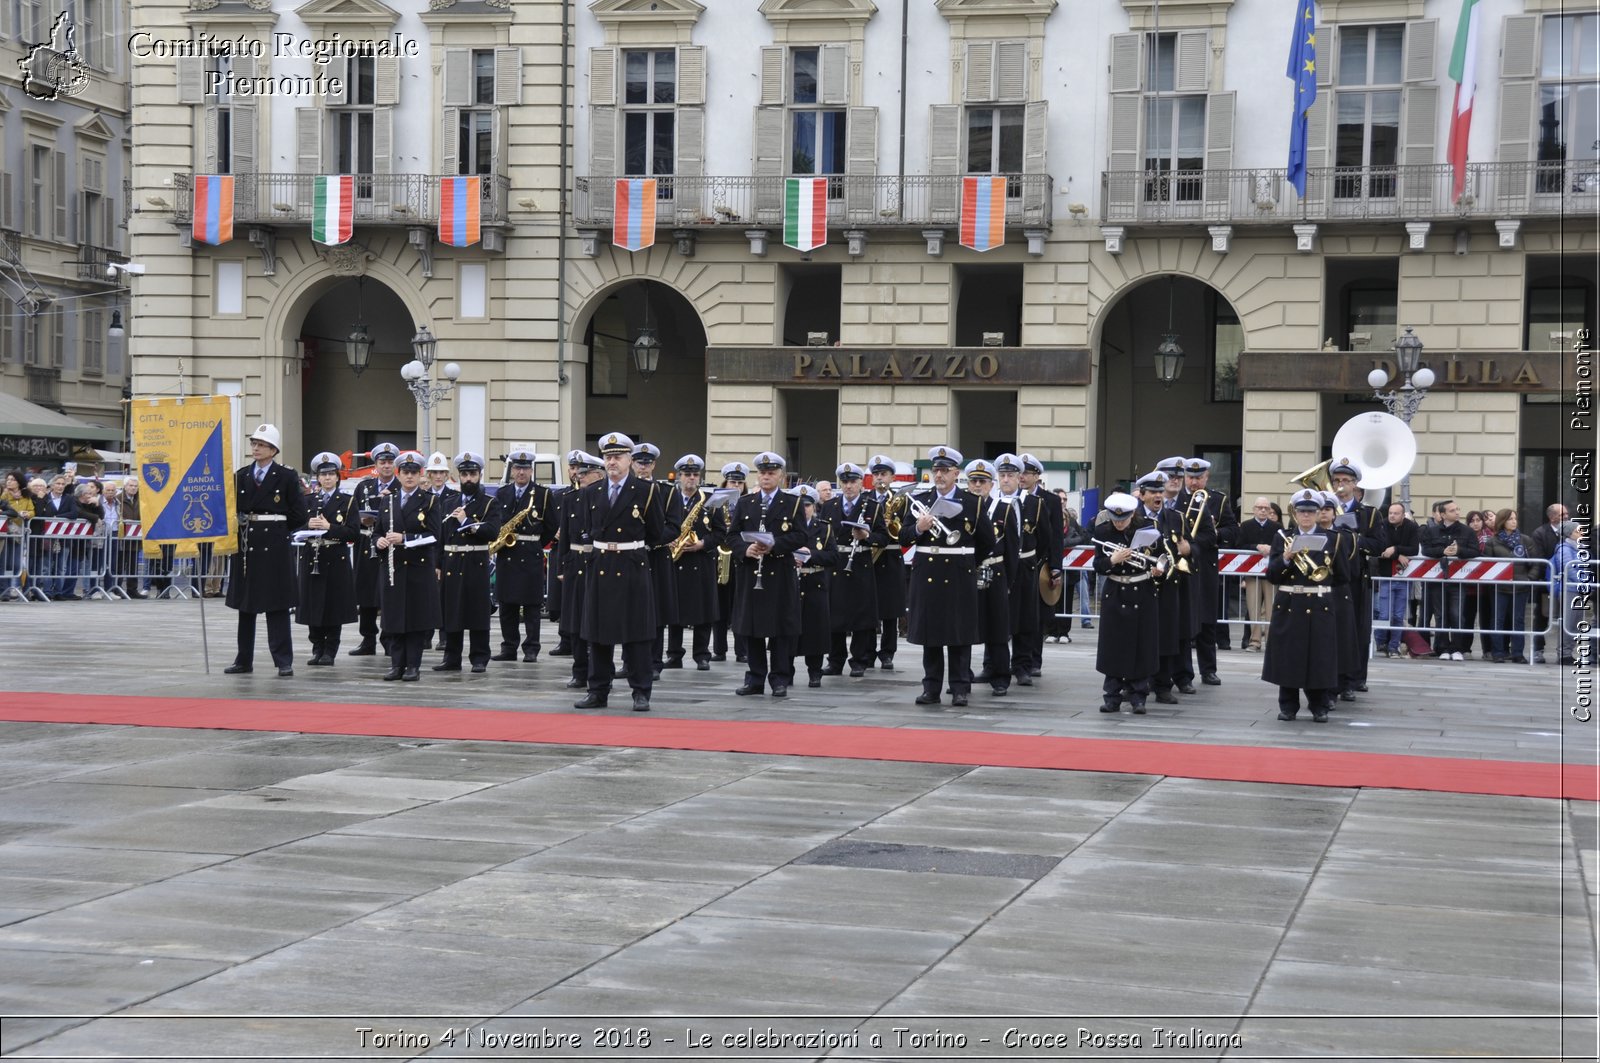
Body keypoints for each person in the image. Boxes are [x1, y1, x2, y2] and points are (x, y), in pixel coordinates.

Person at [575, 432, 668, 711]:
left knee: (637, 633)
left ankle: (641, 691)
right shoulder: (592, 491)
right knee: (599, 633)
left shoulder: (647, 491)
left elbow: (656, 532)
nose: (612, 462)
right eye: (607, 457)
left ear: (630, 459)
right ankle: (598, 690)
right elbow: (588, 529)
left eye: (617, 457)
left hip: (632, 564)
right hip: (602, 564)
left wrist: (632, 548)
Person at [901, 446, 995, 707]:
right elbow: (903, 536)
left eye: (945, 470)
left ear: (956, 473)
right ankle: (931, 687)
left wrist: (966, 563)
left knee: (959, 633)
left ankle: (960, 687)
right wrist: (918, 528)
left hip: (958, 572)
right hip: (927, 571)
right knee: (930, 634)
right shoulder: (920, 498)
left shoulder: (972, 502)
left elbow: (986, 541)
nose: (939, 475)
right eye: (936, 470)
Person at [225, 424, 308, 676]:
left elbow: (298, 514)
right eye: (254, 444)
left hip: (274, 544)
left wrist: (278, 531)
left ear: (273, 449)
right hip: (247, 543)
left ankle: (283, 660)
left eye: (261, 445)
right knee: (246, 605)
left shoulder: (286, 476)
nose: (256, 448)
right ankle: (243, 659)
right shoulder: (241, 475)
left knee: (277, 605)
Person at [729, 451, 809, 698]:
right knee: (751, 629)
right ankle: (754, 678)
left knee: (780, 630)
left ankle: (779, 679)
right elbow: (731, 536)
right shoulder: (745, 503)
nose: (766, 477)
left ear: (780, 476)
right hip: (752, 573)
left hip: (779, 573)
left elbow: (801, 536)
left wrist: (776, 545)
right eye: (762, 473)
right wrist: (746, 549)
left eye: (771, 473)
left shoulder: (792, 502)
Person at [1263, 488, 1340, 722]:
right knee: (1289, 656)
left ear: (1318, 514)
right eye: (1302, 512)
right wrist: (1285, 557)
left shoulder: (1333, 539)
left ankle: (1319, 706)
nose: (1306, 516)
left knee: (1319, 656)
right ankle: (1288, 706)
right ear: (1295, 514)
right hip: (1290, 602)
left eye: (1311, 512)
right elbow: (1273, 575)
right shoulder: (1282, 537)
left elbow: (1343, 576)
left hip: (1319, 603)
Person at [374, 451, 443, 681]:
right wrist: (379, 541)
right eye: (406, 472)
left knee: (415, 619)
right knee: (393, 618)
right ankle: (396, 665)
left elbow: (434, 535)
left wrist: (406, 539)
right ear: (399, 474)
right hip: (393, 567)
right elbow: (376, 531)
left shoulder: (430, 500)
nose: (410, 476)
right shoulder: (388, 500)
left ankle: (413, 665)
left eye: (414, 472)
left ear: (420, 474)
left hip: (417, 568)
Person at [1090, 491, 1161, 713]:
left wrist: (1158, 570)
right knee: (1113, 645)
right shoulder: (1102, 531)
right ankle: (1112, 696)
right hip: (1115, 590)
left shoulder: (1148, 529)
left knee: (1141, 644)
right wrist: (1112, 559)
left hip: (1142, 589)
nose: (1119, 523)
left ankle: (1139, 696)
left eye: (1123, 519)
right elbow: (1098, 565)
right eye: (1115, 519)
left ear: (1132, 515)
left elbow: (1162, 555)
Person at [435, 452, 500, 673]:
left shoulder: (489, 503)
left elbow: (493, 532)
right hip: (451, 563)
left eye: (472, 474)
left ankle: (479, 657)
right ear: (458, 476)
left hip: (475, 562)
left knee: (477, 613)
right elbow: (441, 536)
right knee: (452, 611)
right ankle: (451, 657)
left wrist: (467, 521)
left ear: (480, 475)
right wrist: (437, 564)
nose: (468, 479)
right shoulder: (448, 501)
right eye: (464, 474)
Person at [819, 462, 883, 678]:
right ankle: (835, 660)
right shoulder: (829, 505)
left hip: (860, 562)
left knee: (860, 614)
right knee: (834, 614)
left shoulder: (871, 506)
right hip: (836, 562)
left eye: (852, 481)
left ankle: (859, 660)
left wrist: (867, 537)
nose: (848, 486)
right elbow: (822, 535)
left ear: (860, 483)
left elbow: (884, 537)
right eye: (844, 482)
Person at [491, 448, 554, 662]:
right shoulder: (502, 493)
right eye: (517, 468)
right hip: (507, 554)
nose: (521, 472)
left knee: (531, 605)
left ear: (531, 470)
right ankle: (509, 647)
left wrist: (534, 543)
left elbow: (551, 525)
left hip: (530, 554)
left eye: (525, 468)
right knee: (507, 605)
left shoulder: (543, 494)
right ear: (511, 470)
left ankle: (531, 649)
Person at [1176, 457, 1236, 684]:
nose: (1194, 483)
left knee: (1207, 620)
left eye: (1198, 478)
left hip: (1206, 565)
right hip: (1182, 566)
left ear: (1206, 477)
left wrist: (1214, 531)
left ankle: (1208, 669)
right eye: (1190, 478)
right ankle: (1183, 672)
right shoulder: (1176, 501)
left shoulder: (1218, 500)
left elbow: (1232, 530)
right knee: (1183, 619)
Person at [296, 452, 359, 666]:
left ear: (338, 477)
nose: (328, 478)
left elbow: (353, 532)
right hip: (312, 555)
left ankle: (330, 650)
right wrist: (308, 527)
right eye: (323, 475)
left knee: (333, 606)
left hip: (335, 557)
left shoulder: (348, 501)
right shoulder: (308, 501)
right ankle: (317, 647)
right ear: (318, 478)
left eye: (332, 474)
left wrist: (329, 527)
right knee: (312, 605)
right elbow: (294, 528)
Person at [1330, 459, 1385, 691]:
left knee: (1357, 629)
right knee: (1333, 629)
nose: (1341, 485)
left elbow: (1378, 544)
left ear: (1355, 485)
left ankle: (1355, 679)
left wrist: (1351, 538)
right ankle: (1333, 677)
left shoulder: (1369, 514)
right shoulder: (1326, 510)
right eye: (1337, 481)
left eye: (1346, 481)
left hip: (1357, 577)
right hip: (1331, 576)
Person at [554, 452, 604, 689]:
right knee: (574, 622)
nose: (579, 477)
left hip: (598, 563)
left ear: (598, 474)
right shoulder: (570, 498)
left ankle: (601, 671)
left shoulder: (605, 497)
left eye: (584, 473)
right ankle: (580, 671)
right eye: (578, 472)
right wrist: (563, 565)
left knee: (597, 622)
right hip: (575, 563)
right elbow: (564, 536)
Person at [966, 459, 1017, 697]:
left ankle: (1000, 677)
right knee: (965, 626)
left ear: (991, 484)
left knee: (997, 627)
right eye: (973, 481)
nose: (977, 486)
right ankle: (962, 674)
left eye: (982, 482)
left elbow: (1012, 550)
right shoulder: (962, 506)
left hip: (995, 572)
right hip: (968, 572)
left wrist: (1009, 582)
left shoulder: (1004, 509)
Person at [1134, 471, 1184, 704]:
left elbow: (1180, 549)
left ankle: (1163, 686)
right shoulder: (1132, 517)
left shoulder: (1174, 517)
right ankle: (1135, 683)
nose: (1158, 496)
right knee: (1139, 637)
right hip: (1141, 585)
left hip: (1167, 586)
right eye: (1153, 492)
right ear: (1141, 495)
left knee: (1166, 635)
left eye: (1160, 492)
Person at [665, 454, 718, 671]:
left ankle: (702, 654)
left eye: (696, 475)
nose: (692, 478)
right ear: (679, 476)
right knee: (674, 611)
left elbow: (722, 533)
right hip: (675, 562)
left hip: (700, 562)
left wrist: (702, 544)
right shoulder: (670, 499)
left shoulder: (710, 502)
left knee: (703, 611)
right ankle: (674, 654)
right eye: (687, 474)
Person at [995, 454, 1043, 687]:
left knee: (1025, 619)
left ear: (1019, 478)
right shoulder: (990, 502)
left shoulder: (1033, 503)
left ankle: (1022, 666)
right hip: (999, 566)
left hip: (1025, 565)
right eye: (1002, 475)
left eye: (1011, 476)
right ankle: (993, 665)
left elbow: (1043, 538)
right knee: (996, 618)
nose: (1006, 480)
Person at [349, 443, 400, 656]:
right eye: (382, 462)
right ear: (376, 464)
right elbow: (352, 514)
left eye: (390, 462)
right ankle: (367, 639)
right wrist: (363, 520)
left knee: (387, 594)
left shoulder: (401, 486)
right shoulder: (364, 486)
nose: (386, 466)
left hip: (390, 545)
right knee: (366, 593)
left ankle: (389, 639)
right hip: (366, 543)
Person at [634, 442, 679, 680]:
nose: (643, 467)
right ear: (632, 464)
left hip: (656, 554)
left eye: (647, 463)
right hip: (631, 557)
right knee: (631, 611)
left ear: (654, 465)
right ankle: (629, 661)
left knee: (656, 612)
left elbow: (674, 526)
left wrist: (650, 540)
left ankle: (654, 662)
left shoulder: (667, 491)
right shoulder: (625, 489)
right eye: (639, 463)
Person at [1420, 499, 1479, 659]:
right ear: (1443, 514)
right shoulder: (1432, 531)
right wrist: (1442, 551)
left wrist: (1459, 550)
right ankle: (1443, 648)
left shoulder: (1467, 531)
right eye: (1452, 510)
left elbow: (1475, 551)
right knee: (1441, 615)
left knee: (1457, 614)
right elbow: (1425, 550)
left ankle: (1457, 648)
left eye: (1458, 509)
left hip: (1458, 580)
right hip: (1437, 580)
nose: (1457, 512)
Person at [792, 486, 838, 687]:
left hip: (815, 582)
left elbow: (834, 556)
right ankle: (785, 671)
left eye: (808, 505)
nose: (804, 510)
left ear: (814, 506)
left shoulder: (824, 527)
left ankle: (815, 671)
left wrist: (810, 555)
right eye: (800, 506)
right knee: (789, 630)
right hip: (792, 581)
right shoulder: (787, 526)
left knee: (815, 631)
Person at [867, 454, 906, 670]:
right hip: (870, 557)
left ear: (892, 477)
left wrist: (894, 522)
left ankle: (888, 653)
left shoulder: (902, 499)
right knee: (870, 607)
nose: (880, 478)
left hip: (890, 556)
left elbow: (908, 529)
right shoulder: (867, 499)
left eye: (884, 474)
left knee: (891, 609)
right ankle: (868, 651)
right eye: (877, 474)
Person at [710, 461, 748, 662]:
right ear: (725, 484)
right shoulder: (716, 504)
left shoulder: (749, 503)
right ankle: (719, 649)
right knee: (720, 605)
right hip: (719, 557)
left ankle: (741, 651)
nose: (736, 486)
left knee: (739, 604)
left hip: (741, 557)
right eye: (732, 482)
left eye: (740, 483)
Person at [1487, 507, 1535, 664]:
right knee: (1497, 620)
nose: (1514, 521)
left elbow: (1537, 563)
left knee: (1518, 620)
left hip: (1520, 586)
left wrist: (1529, 578)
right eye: (1510, 519)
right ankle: (1498, 653)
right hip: (1499, 587)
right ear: (1502, 521)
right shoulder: (1492, 541)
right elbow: (1486, 564)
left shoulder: (1525, 540)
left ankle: (1517, 653)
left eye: (1515, 518)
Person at [1234, 497, 1281, 652]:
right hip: (1252, 574)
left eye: (1266, 508)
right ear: (1254, 509)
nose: (1262, 510)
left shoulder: (1277, 527)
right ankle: (1254, 641)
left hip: (1271, 574)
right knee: (1253, 607)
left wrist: (1271, 547)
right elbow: (1239, 545)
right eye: (1259, 507)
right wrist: (1256, 546)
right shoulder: (1246, 526)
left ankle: (1270, 640)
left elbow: (1283, 546)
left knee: (1271, 607)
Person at [1373, 501, 1419, 657]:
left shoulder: (1411, 527)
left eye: (1396, 513)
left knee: (1399, 615)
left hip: (1404, 576)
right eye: (1390, 513)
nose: (1392, 516)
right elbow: (1382, 547)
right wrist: (1398, 554)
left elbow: (1414, 548)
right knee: (1384, 614)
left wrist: (1396, 548)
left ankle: (1394, 646)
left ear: (1403, 514)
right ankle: (1381, 643)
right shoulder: (1382, 525)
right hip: (1386, 575)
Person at [1530, 503, 1569, 664]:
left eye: (1567, 514)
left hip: (1567, 583)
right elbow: (1539, 558)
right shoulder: (1540, 533)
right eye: (1562, 514)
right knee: (1541, 616)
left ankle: (1564, 652)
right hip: (1546, 582)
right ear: (1552, 517)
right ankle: (1538, 650)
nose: (1566, 517)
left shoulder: (1569, 531)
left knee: (1565, 618)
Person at [1552, 520, 1590, 666]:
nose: (1581, 533)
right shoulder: (1564, 548)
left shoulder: (1578, 547)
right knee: (1568, 622)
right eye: (1577, 531)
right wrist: (1583, 582)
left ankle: (1567, 652)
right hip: (1570, 589)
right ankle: (1563, 653)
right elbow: (1569, 568)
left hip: (1578, 589)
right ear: (1569, 534)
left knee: (1574, 623)